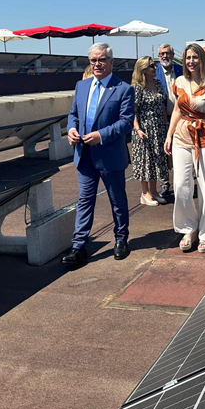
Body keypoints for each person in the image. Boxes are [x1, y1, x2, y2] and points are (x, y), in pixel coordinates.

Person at [63, 43, 135, 265]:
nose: (97, 64)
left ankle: (121, 239)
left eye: (102, 59)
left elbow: (126, 123)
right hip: (84, 155)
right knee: (84, 201)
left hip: (110, 155)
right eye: (93, 60)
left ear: (111, 61)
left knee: (117, 200)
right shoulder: (81, 86)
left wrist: (101, 135)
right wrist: (71, 129)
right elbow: (73, 113)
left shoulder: (123, 89)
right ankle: (79, 246)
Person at [164, 43, 205, 253]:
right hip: (181, 137)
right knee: (181, 185)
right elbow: (176, 111)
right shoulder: (179, 81)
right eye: (187, 58)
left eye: (195, 57)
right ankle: (188, 228)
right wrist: (169, 134)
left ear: (202, 59)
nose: (191, 61)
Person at [130, 56, 170, 206]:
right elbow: (133, 110)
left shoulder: (158, 83)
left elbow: (163, 105)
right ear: (144, 69)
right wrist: (138, 129)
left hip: (158, 127)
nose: (155, 68)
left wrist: (166, 123)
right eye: (152, 66)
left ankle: (154, 190)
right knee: (146, 160)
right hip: (145, 127)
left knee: (157, 160)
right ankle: (145, 192)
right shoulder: (138, 87)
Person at [155, 43, 183, 197]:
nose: (164, 56)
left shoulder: (181, 70)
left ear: (172, 55)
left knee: (180, 150)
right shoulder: (154, 72)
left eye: (167, 53)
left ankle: (181, 183)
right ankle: (165, 184)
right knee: (162, 153)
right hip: (162, 118)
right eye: (161, 54)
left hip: (180, 118)